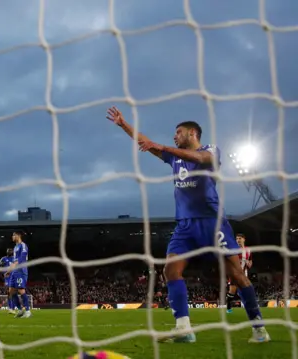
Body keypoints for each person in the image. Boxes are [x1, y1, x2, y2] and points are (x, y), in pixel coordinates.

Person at [106, 106, 270, 344]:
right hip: (185, 225)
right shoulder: (173, 156)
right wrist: (123, 125)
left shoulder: (209, 150)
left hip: (212, 224)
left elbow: (201, 159)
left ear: (193, 133)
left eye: (179, 132)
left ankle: (259, 329)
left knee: (236, 275)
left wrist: (163, 147)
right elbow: (147, 142)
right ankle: (184, 329)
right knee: (170, 270)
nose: (174, 136)